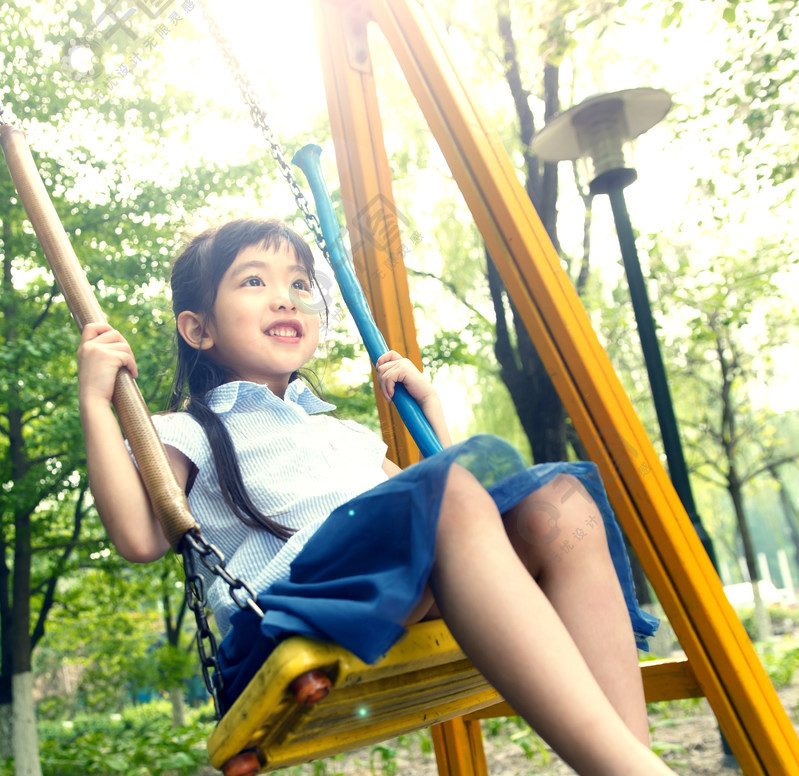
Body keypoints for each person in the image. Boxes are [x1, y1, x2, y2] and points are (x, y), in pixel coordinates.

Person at [78, 218, 672, 776]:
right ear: (198, 328)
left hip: (385, 587)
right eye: (254, 280)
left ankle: (627, 758)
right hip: (289, 610)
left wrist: (431, 414)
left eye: (300, 283)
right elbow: (138, 537)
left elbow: (462, 529)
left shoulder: (342, 433)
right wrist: (95, 402)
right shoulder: (186, 430)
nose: (285, 297)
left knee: (561, 501)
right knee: (445, 497)